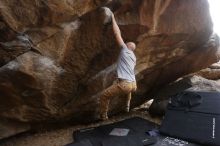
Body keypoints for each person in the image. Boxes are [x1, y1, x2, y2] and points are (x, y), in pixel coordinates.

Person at [99, 13, 137, 120]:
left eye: (127, 43)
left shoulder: (125, 50)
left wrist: (113, 18)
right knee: (121, 84)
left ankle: (103, 116)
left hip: (125, 85)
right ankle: (127, 106)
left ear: (128, 46)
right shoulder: (133, 57)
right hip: (133, 85)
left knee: (104, 95)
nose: (125, 43)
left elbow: (117, 33)